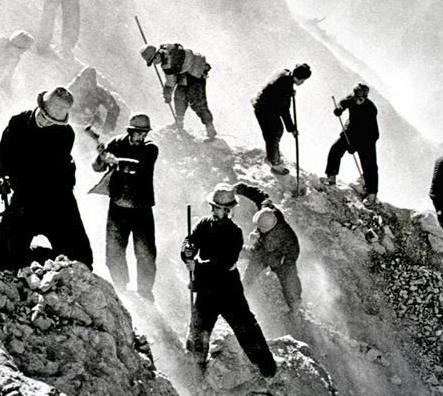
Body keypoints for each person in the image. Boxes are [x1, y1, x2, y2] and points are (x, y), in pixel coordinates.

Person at [0, 87, 93, 270]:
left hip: (58, 199)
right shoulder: (18, 122)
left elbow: (50, 174)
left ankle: (45, 260)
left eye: (52, 121)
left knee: (81, 260)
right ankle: (31, 258)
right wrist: (1, 176)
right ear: (39, 107)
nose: (45, 122)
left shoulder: (65, 134)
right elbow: (1, 155)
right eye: (44, 116)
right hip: (25, 197)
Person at [181, 184, 277, 378]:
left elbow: (223, 264)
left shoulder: (235, 233)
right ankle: (196, 369)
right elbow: (190, 241)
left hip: (228, 290)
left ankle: (267, 369)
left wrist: (197, 267)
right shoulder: (204, 224)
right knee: (198, 329)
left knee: (246, 329)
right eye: (216, 207)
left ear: (229, 210)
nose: (217, 211)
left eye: (223, 209)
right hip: (206, 289)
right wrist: (187, 250)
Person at [92, 113, 158, 300]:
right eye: (138, 133)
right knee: (114, 250)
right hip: (118, 206)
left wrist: (116, 161)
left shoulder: (150, 148)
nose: (142, 136)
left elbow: (139, 167)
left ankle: (145, 291)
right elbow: (97, 168)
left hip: (141, 208)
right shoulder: (116, 143)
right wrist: (101, 157)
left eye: (144, 133)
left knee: (145, 252)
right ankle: (121, 288)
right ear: (130, 131)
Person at [234, 182, 302, 312]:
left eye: (261, 230)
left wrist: (242, 251)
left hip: (285, 256)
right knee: (249, 274)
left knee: (289, 280)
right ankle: (239, 295)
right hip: (269, 249)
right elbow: (262, 197)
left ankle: (294, 307)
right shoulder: (269, 211)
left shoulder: (273, 239)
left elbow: (259, 254)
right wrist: (243, 189)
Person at [140, 42, 216, 139]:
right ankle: (179, 122)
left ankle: (209, 128)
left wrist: (167, 93)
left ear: (156, 56)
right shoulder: (168, 47)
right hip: (188, 73)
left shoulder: (167, 63)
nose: (154, 63)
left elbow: (171, 81)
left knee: (197, 102)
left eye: (153, 61)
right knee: (179, 96)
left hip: (195, 75)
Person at [252, 63, 311, 175]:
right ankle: (275, 163)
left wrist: (289, 92)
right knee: (275, 132)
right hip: (264, 108)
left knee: (274, 132)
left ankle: (271, 156)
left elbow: (278, 89)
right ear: (298, 78)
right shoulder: (286, 88)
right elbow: (285, 111)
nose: (303, 83)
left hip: (261, 103)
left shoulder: (285, 73)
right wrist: (292, 129)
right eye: (303, 80)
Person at [325, 82, 380, 201]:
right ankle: (331, 176)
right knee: (335, 150)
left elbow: (372, 131)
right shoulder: (351, 99)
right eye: (356, 98)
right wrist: (339, 109)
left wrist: (356, 145)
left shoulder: (371, 108)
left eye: (361, 99)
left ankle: (372, 193)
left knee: (369, 164)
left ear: (365, 97)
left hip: (367, 138)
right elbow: (342, 103)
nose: (358, 101)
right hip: (350, 132)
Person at [68, 65, 121, 135]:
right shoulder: (71, 89)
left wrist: (108, 125)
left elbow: (114, 108)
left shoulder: (99, 92)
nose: (87, 84)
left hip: (91, 123)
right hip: (72, 121)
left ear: (94, 82)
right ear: (80, 79)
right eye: (85, 80)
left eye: (90, 81)